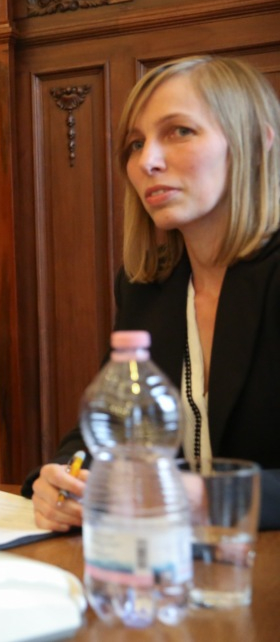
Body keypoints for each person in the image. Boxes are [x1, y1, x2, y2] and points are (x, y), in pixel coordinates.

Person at [23, 55, 280, 531]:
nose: (147, 162)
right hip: (167, 558)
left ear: (257, 143)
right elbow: (106, 426)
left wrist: (205, 498)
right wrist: (62, 480)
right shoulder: (147, 287)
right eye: (136, 144)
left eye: (180, 131)